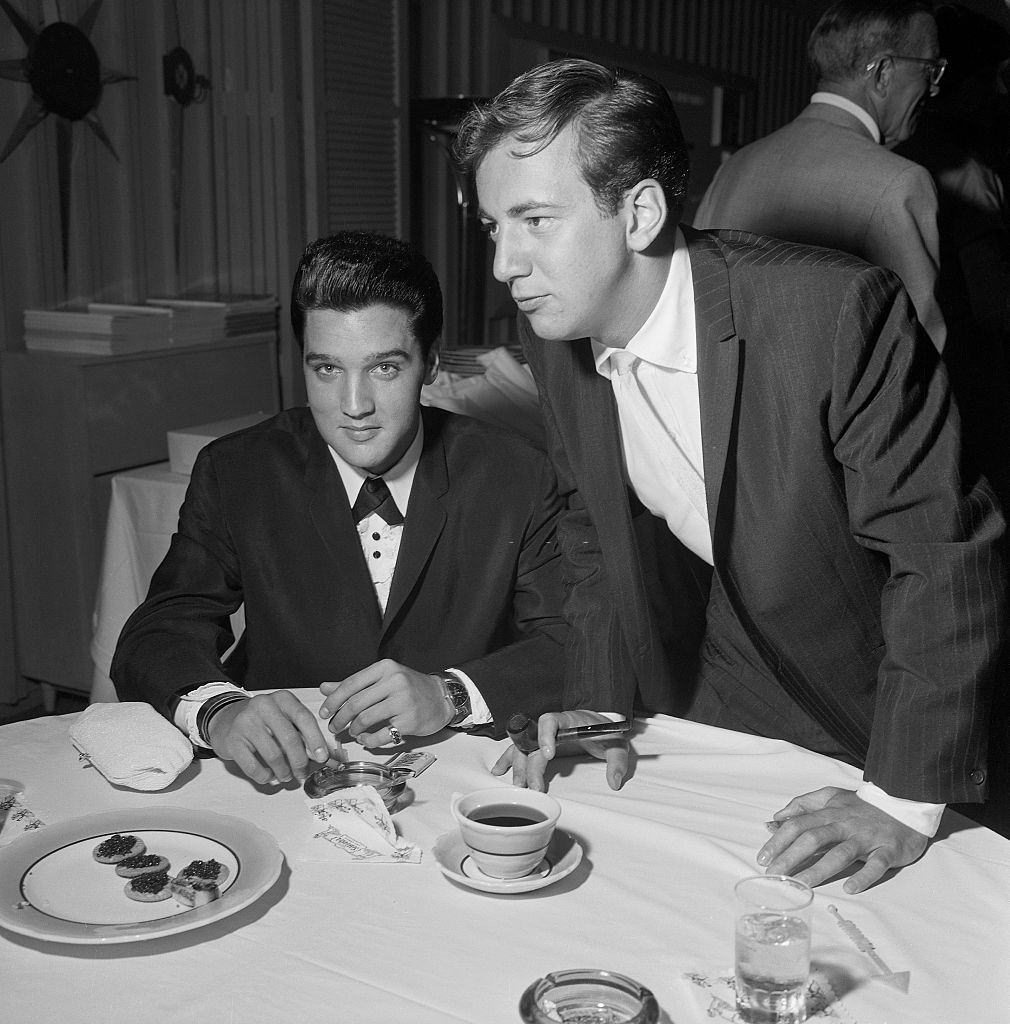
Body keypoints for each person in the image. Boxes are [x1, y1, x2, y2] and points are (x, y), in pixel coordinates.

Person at [455, 58, 1006, 893]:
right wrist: (603, 706)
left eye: (534, 219)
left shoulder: (837, 312)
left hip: (905, 689)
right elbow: (594, 536)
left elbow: (945, 558)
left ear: (639, 212)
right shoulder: (555, 326)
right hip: (738, 672)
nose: (505, 264)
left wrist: (900, 798)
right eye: (495, 225)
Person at [112, 231, 567, 786]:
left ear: (429, 365)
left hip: (461, 777)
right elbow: (155, 634)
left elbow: (573, 641)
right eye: (326, 369)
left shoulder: (516, 472)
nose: (354, 407)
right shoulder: (236, 470)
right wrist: (218, 709)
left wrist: (451, 695)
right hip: (280, 782)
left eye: (384, 368)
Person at [693, 0, 947, 353]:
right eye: (930, 68)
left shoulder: (733, 168)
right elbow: (916, 361)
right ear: (883, 73)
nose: (933, 88)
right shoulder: (900, 183)